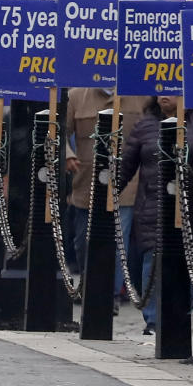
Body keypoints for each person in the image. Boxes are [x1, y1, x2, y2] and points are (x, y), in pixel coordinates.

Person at [119, 95, 193, 335]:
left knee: (190, 261)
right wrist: (109, 192)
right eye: (160, 91)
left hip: (191, 209)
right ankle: (152, 320)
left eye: (171, 91)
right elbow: (127, 164)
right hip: (153, 205)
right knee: (153, 262)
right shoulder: (145, 125)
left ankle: (181, 312)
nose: (164, 96)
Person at [65, 88, 146, 313]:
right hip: (85, 185)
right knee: (83, 241)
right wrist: (67, 154)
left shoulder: (139, 94)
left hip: (125, 184)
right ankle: (90, 283)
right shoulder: (76, 96)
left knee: (118, 243)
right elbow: (59, 131)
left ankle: (108, 295)